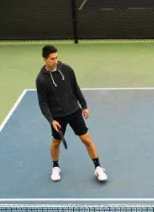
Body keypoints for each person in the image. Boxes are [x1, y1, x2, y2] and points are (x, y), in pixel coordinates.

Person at [36, 44, 108, 183]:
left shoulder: (67, 70)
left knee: (86, 140)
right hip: (57, 117)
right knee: (56, 142)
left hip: (74, 111)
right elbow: (43, 103)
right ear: (45, 59)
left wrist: (84, 105)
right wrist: (51, 120)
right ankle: (55, 167)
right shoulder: (41, 80)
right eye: (52, 59)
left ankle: (98, 167)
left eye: (56, 57)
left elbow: (75, 88)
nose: (55, 61)